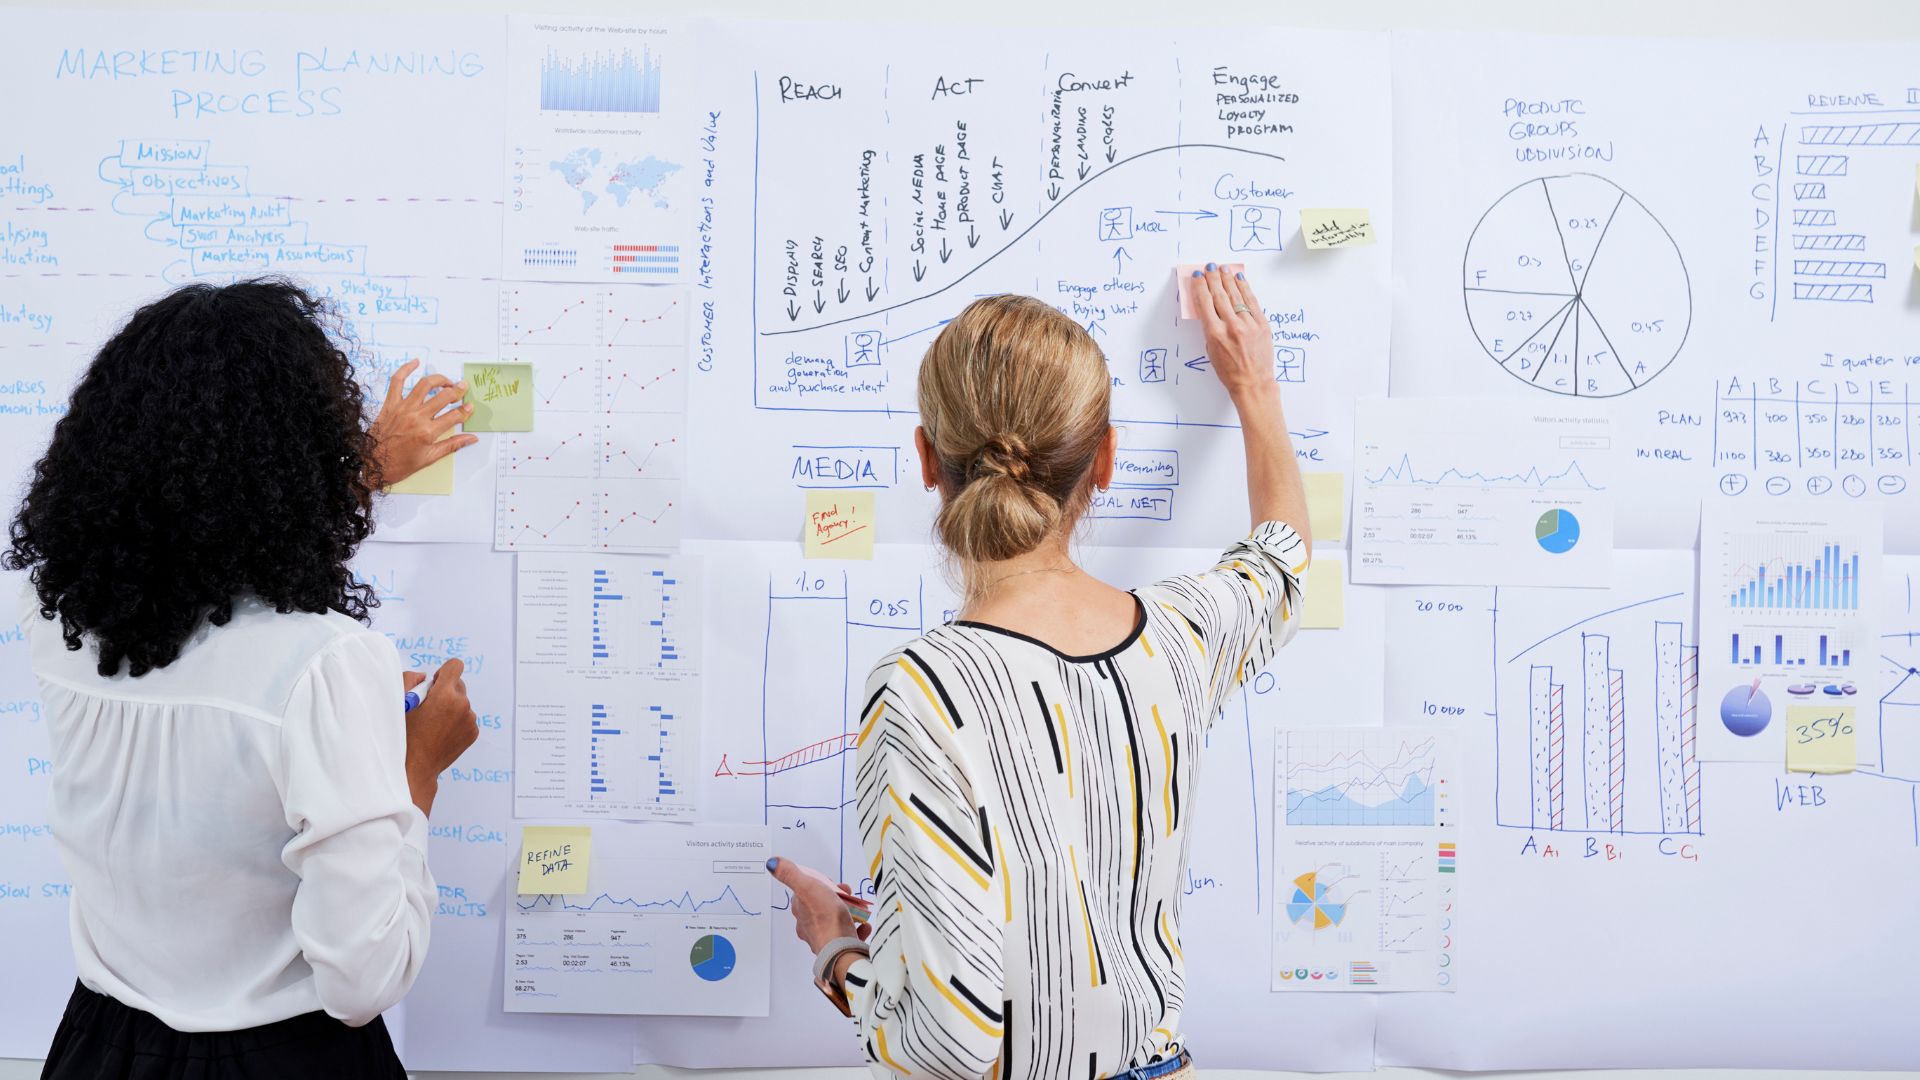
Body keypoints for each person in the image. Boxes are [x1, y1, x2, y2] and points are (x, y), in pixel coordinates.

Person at [770, 266, 1310, 1079]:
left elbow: (949, 1044)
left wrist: (835, 952)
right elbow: (1281, 562)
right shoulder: (1181, 635)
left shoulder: (922, 690)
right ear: (1106, 461)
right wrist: (1255, 387)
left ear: (925, 458)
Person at [4, 279, 482, 1079]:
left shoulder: (51, 612)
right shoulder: (325, 664)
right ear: (297, 458)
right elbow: (364, 979)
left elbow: (185, 535)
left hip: (100, 1047)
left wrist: (355, 475)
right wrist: (416, 771)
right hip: (282, 1060)